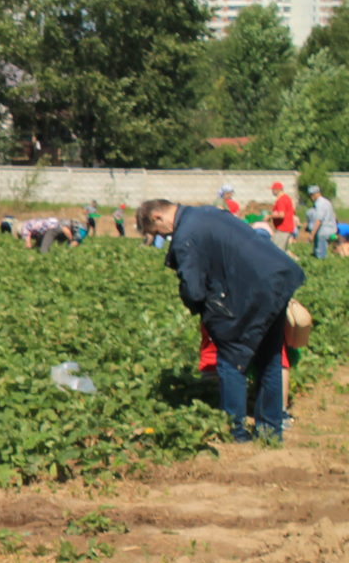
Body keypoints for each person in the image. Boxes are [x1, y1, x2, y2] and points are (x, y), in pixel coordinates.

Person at [138, 198, 304, 442]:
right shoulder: (206, 212)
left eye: (157, 232)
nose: (164, 236)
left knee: (230, 359)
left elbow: (194, 289)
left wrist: (199, 308)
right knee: (269, 358)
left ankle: (236, 433)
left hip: (255, 291)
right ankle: (270, 431)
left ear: (157, 218)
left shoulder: (185, 235)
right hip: (276, 280)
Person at [306, 185, 337, 260]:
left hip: (323, 231)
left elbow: (318, 220)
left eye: (311, 195)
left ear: (316, 194)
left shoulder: (320, 204)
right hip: (330, 229)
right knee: (323, 251)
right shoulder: (327, 202)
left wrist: (312, 234)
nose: (311, 197)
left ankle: (322, 267)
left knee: (320, 254)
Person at [271, 181, 296, 251]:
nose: (272, 192)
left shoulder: (281, 200)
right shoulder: (287, 198)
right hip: (288, 228)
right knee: (284, 250)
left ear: (277, 190)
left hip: (282, 229)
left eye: (273, 190)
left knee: (278, 251)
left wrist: (270, 216)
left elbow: (281, 215)